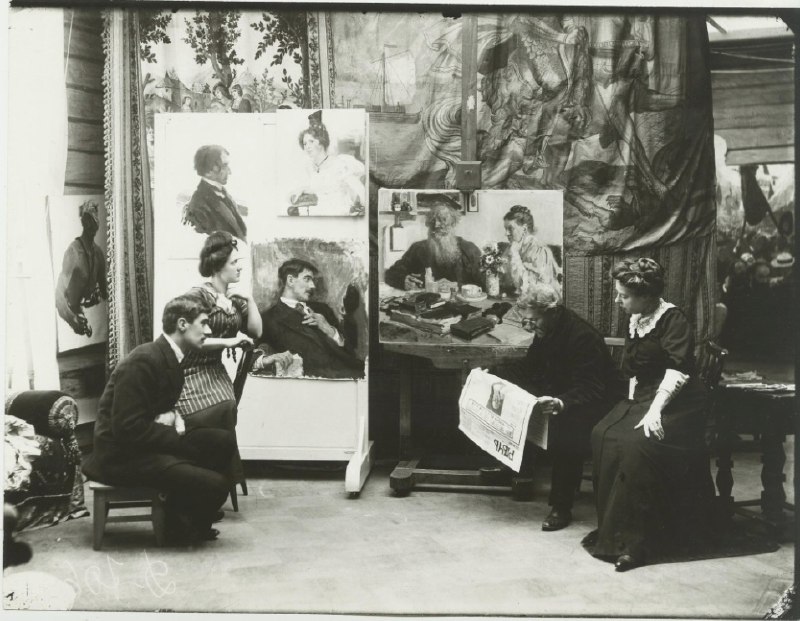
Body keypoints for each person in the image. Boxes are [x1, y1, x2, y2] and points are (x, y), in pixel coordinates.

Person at [586, 258, 713, 571]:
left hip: (680, 401)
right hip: (645, 395)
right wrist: (630, 403)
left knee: (637, 445)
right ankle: (613, 534)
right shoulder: (637, 316)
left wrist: (655, 410)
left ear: (645, 296)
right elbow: (636, 368)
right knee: (603, 433)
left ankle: (636, 544)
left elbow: (678, 370)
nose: (618, 301)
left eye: (624, 296)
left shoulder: (672, 319)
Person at [82, 293, 236, 545]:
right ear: (182, 324)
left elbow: (156, 410)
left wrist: (173, 418)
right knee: (217, 485)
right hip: (121, 456)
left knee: (223, 441)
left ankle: (184, 516)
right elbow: (126, 428)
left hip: (144, 443)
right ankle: (180, 529)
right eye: (204, 323)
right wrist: (177, 434)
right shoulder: (143, 360)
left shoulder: (169, 355)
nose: (208, 331)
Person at [490, 283, 624, 531]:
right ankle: (513, 464)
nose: (529, 326)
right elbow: (530, 367)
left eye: (533, 320)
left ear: (552, 312)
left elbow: (591, 387)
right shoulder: (547, 329)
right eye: (526, 320)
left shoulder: (583, 337)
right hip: (564, 391)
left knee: (568, 428)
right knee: (507, 392)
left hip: (598, 401)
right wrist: (493, 374)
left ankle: (562, 506)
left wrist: (561, 402)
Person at [175, 232, 288, 495]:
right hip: (188, 372)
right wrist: (229, 342)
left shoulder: (234, 299)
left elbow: (257, 331)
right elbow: (191, 341)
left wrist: (249, 300)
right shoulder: (198, 297)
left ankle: (216, 476)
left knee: (226, 405)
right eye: (234, 263)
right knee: (218, 409)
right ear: (218, 266)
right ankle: (201, 474)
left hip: (214, 371)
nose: (239, 267)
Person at [259, 259, 365, 379]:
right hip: (312, 383)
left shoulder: (323, 310)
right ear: (290, 280)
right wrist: (267, 359)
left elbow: (350, 352)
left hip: (351, 375)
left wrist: (329, 329)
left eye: (312, 280)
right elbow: (254, 355)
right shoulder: (269, 318)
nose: (312, 286)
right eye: (307, 279)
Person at [384, 202, 483, 290]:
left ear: (453, 223)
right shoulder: (418, 248)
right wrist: (403, 280)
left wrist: (458, 286)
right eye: (432, 221)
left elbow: (484, 282)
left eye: (442, 220)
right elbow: (390, 274)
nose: (436, 225)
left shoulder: (469, 250)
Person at [288, 110, 366, 216]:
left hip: (340, 214)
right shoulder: (311, 168)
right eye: (305, 144)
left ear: (321, 142)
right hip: (320, 213)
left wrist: (361, 212)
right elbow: (320, 188)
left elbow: (361, 191)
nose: (307, 147)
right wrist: (303, 189)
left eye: (311, 141)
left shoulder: (340, 164)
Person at [55, 200, 107, 337]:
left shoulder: (98, 254)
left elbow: (106, 292)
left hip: (92, 316)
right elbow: (58, 294)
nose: (92, 225)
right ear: (83, 222)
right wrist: (72, 319)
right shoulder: (73, 252)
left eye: (94, 221)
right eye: (88, 220)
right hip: (72, 315)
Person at [183, 145, 248, 240]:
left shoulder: (225, 195)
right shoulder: (198, 204)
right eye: (224, 166)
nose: (230, 171)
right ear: (208, 170)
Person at [501, 204, 562, 296]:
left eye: (510, 229)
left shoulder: (539, 250)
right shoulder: (512, 247)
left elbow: (529, 289)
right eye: (506, 229)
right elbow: (503, 279)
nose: (506, 233)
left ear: (524, 229)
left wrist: (515, 254)